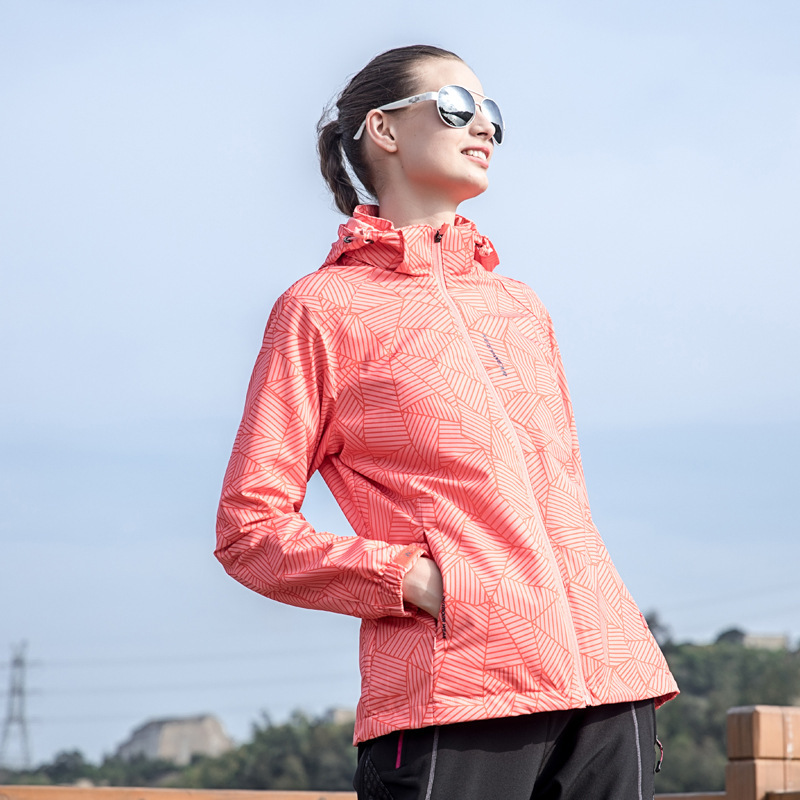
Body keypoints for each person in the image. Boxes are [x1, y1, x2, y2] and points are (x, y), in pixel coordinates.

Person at [215, 44, 679, 800]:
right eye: (458, 109)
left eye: (491, 114)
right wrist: (415, 579)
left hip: (610, 681)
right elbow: (249, 528)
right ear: (385, 131)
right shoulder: (321, 310)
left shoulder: (520, 307)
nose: (484, 128)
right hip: (456, 691)